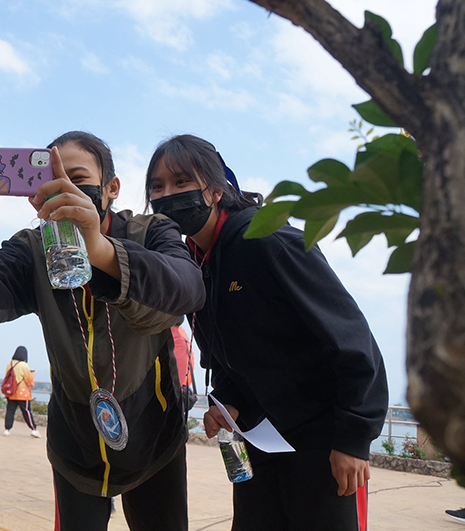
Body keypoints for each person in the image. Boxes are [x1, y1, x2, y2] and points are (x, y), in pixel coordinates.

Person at [0, 132, 205, 531]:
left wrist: (100, 250)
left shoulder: (150, 231)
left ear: (111, 188)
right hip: (75, 448)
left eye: (77, 178)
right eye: (50, 179)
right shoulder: (34, 249)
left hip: (154, 439)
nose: (64, 189)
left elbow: (187, 290)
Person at [144, 134, 389, 531]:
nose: (168, 194)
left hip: (322, 442)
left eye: (182, 181)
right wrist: (229, 400)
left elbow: (352, 336)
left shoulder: (268, 239)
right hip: (261, 439)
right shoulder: (194, 263)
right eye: (157, 186)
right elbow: (233, 353)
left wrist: (353, 438)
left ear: (216, 189)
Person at [3, 346, 41, 438]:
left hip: (11, 392)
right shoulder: (24, 365)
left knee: (10, 411)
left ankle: (7, 429)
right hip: (22, 393)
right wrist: (33, 374)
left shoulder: (10, 364)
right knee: (26, 411)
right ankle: (33, 429)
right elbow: (28, 379)